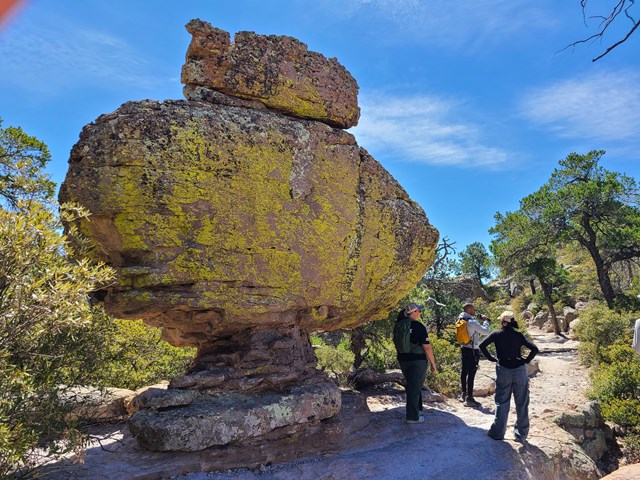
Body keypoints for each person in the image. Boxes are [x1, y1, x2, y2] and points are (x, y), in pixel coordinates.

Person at [479, 311, 539, 442]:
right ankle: (521, 434)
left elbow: (482, 345)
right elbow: (534, 349)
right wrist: (525, 360)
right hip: (519, 369)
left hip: (503, 369)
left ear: (502, 322)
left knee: (502, 401)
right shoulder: (518, 335)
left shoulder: (496, 334)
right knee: (522, 402)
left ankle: (497, 433)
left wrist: (491, 358)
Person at [396, 302, 437, 424]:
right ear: (412, 312)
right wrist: (433, 364)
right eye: (418, 311)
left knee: (414, 385)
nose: (420, 313)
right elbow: (427, 347)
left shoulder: (399, 325)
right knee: (415, 387)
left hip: (403, 359)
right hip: (417, 360)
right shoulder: (418, 326)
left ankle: (418, 410)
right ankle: (412, 417)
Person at [459, 302, 491, 407]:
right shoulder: (471, 321)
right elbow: (485, 331)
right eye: (473, 309)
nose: (474, 311)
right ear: (468, 309)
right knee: (471, 373)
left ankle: (463, 394)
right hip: (473, 349)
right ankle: (469, 398)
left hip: (464, 348)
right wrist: (486, 321)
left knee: (464, 371)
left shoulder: (460, 318)